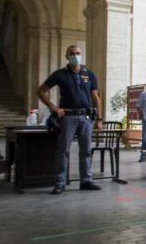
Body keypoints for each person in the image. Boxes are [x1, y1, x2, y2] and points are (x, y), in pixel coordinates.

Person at [38, 45, 103, 194]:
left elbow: (95, 96)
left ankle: (86, 180)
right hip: (68, 117)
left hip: (86, 117)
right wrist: (54, 108)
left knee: (86, 150)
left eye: (78, 53)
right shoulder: (60, 74)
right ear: (67, 57)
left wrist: (99, 118)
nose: (75, 56)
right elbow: (40, 91)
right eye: (72, 54)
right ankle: (60, 182)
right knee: (63, 150)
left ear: (81, 55)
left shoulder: (89, 74)